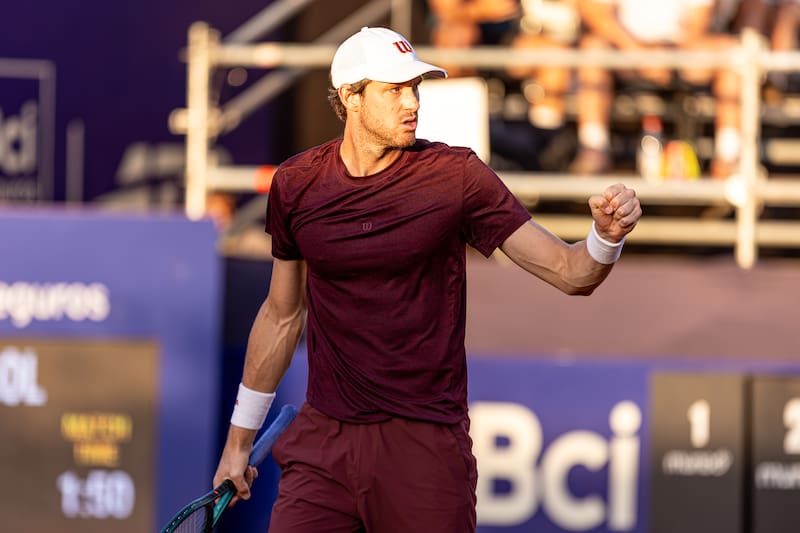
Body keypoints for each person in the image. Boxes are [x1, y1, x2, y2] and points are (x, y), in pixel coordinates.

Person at [212, 26, 641, 532]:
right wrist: (238, 442)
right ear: (350, 97)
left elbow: (573, 273)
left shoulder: (457, 177)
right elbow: (281, 317)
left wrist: (605, 238)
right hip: (323, 444)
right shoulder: (295, 185)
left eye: (415, 88)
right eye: (394, 90)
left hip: (425, 448)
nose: (412, 102)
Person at [569, 0, 743, 179]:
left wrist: (665, 56)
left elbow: (697, 25)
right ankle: (593, 146)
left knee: (734, 52)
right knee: (593, 48)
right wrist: (637, 52)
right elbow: (596, 13)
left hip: (680, 55)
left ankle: (729, 156)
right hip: (624, 52)